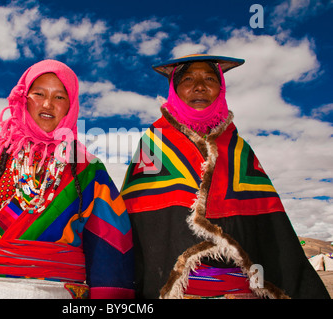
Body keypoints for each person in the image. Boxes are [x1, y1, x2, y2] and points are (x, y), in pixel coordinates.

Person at [121, 54, 330, 299]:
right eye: (188, 79)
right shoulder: (153, 144)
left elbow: (270, 227)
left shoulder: (239, 149)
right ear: (175, 90)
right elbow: (140, 220)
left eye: (209, 78)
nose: (199, 86)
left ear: (220, 89)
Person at [0, 60, 134, 299]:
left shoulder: (88, 169)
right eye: (39, 93)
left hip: (59, 289)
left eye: (60, 97)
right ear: (23, 98)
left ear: (71, 106)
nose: (48, 104)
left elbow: (108, 240)